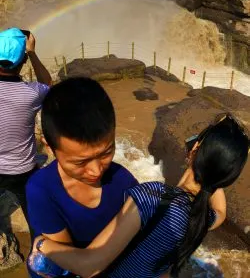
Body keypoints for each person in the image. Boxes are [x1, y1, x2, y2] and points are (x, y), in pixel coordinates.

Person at [29, 113, 249, 277]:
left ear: (194, 150)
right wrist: (216, 173)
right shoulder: (203, 217)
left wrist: (42, 244)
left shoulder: (151, 197)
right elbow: (221, 211)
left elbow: (90, 266)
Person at [26, 77, 138, 278]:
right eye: (80, 162)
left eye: (106, 153)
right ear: (50, 147)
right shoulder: (41, 190)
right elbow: (70, 264)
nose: (96, 170)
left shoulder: (124, 181)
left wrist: (42, 244)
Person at [0, 27, 51, 221]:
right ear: (23, 62)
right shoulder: (32, 94)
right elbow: (47, 81)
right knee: (36, 217)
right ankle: (38, 246)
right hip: (22, 170)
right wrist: (31, 52)